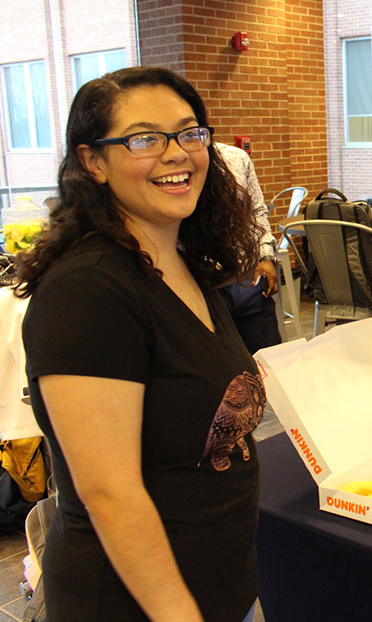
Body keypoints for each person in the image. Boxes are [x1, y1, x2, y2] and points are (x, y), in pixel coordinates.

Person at [15, 66, 265, 621]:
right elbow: (110, 493)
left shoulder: (179, 262)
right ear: (93, 162)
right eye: (144, 138)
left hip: (221, 588)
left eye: (189, 133)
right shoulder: (89, 290)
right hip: (138, 606)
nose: (177, 153)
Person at [216, 141, 282, 354]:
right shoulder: (177, 167)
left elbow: (257, 211)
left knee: (269, 360)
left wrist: (266, 256)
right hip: (206, 284)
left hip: (248, 277)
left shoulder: (236, 158)